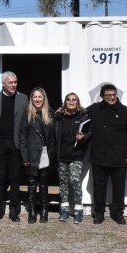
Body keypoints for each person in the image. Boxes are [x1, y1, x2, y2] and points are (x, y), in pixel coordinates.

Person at [86, 84, 127, 225]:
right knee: (98, 187)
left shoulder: (125, 111)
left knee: (119, 187)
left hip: (119, 157)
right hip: (98, 156)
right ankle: (99, 213)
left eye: (114, 95)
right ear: (102, 96)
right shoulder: (93, 109)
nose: (112, 97)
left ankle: (118, 212)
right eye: (108, 95)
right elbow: (78, 114)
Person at [0, 71, 29, 223]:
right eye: (10, 82)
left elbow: (27, 121)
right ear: (3, 83)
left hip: (16, 144)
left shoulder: (23, 98)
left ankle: (14, 210)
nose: (14, 85)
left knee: (15, 178)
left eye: (15, 82)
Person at [52, 92, 90, 224]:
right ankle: (65, 210)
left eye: (74, 100)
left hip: (76, 155)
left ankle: (78, 211)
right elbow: (51, 129)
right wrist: (55, 114)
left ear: (77, 102)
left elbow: (90, 132)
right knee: (63, 183)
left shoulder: (83, 116)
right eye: (69, 100)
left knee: (74, 180)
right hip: (61, 155)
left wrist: (83, 137)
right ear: (65, 103)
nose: (72, 102)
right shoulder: (59, 117)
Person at [19, 87, 55, 224]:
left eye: (40, 97)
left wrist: (52, 153)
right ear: (31, 99)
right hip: (31, 153)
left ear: (44, 98)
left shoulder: (50, 113)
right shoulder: (27, 113)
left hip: (45, 153)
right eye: (35, 97)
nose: (37, 99)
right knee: (32, 183)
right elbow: (22, 136)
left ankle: (44, 210)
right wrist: (24, 156)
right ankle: (32, 211)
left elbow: (54, 135)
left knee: (44, 184)